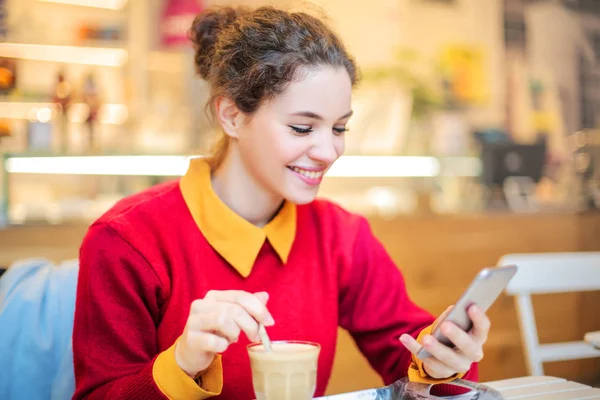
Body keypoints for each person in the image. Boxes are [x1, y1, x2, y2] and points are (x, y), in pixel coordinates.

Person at [72, 5, 490, 400]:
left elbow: (406, 353)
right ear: (232, 115)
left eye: (340, 128)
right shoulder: (127, 240)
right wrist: (181, 362)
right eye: (302, 127)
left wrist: (441, 364)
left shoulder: (341, 236)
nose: (328, 151)